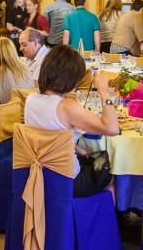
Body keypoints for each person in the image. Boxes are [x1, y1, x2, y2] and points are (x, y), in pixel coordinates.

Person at [24, 45, 119, 197]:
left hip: (40, 173)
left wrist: (77, 148)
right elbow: (112, 128)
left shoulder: (31, 99)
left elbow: (49, 134)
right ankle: (101, 212)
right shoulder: (66, 107)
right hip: (67, 179)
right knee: (110, 178)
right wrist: (104, 90)